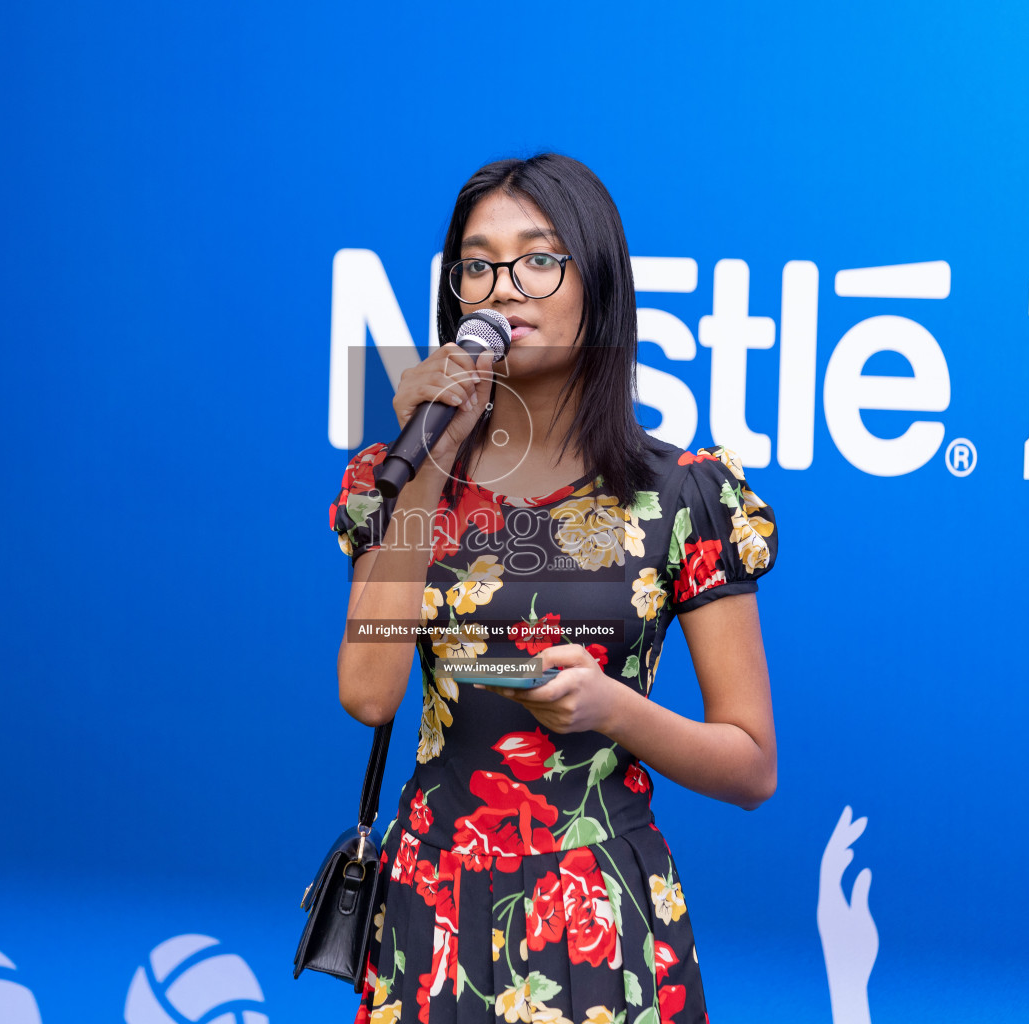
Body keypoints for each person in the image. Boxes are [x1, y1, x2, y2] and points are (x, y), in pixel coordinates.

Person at [330, 153, 778, 1024]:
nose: (506, 288)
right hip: (434, 907)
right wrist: (425, 468)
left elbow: (752, 765)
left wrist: (614, 710)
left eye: (539, 259)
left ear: (597, 283)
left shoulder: (683, 493)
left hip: (603, 916)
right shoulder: (398, 473)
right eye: (478, 264)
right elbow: (369, 693)